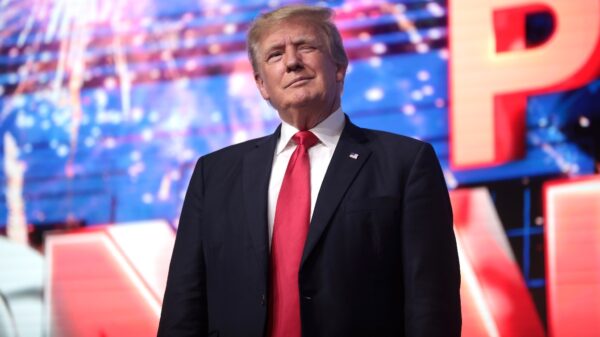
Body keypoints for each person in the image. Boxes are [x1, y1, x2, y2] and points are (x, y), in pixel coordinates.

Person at [157, 5, 461, 337]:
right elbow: (183, 307)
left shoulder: (406, 163)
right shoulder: (213, 175)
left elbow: (431, 305)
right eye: (275, 55)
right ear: (261, 85)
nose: (291, 62)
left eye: (306, 47)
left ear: (340, 67)